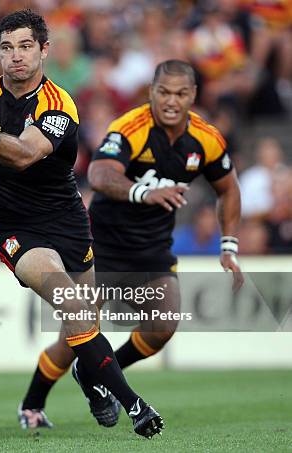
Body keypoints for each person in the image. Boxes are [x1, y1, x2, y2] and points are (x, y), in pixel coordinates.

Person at [0, 10, 163, 438]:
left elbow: (26, 153)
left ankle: (52, 392)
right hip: (14, 228)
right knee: (75, 307)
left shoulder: (59, 104)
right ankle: (134, 404)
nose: (16, 57)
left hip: (67, 221)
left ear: (44, 50)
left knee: (80, 326)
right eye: (6, 48)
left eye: (25, 46)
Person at [20, 59, 243, 429]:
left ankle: (92, 373)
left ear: (193, 96)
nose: (171, 101)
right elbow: (99, 173)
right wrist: (143, 192)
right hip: (102, 246)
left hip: (153, 249)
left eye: (181, 93)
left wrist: (229, 245)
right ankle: (32, 404)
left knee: (164, 324)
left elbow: (229, 187)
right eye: (164, 92)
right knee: (73, 337)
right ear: (151, 92)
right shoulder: (130, 127)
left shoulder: (207, 138)